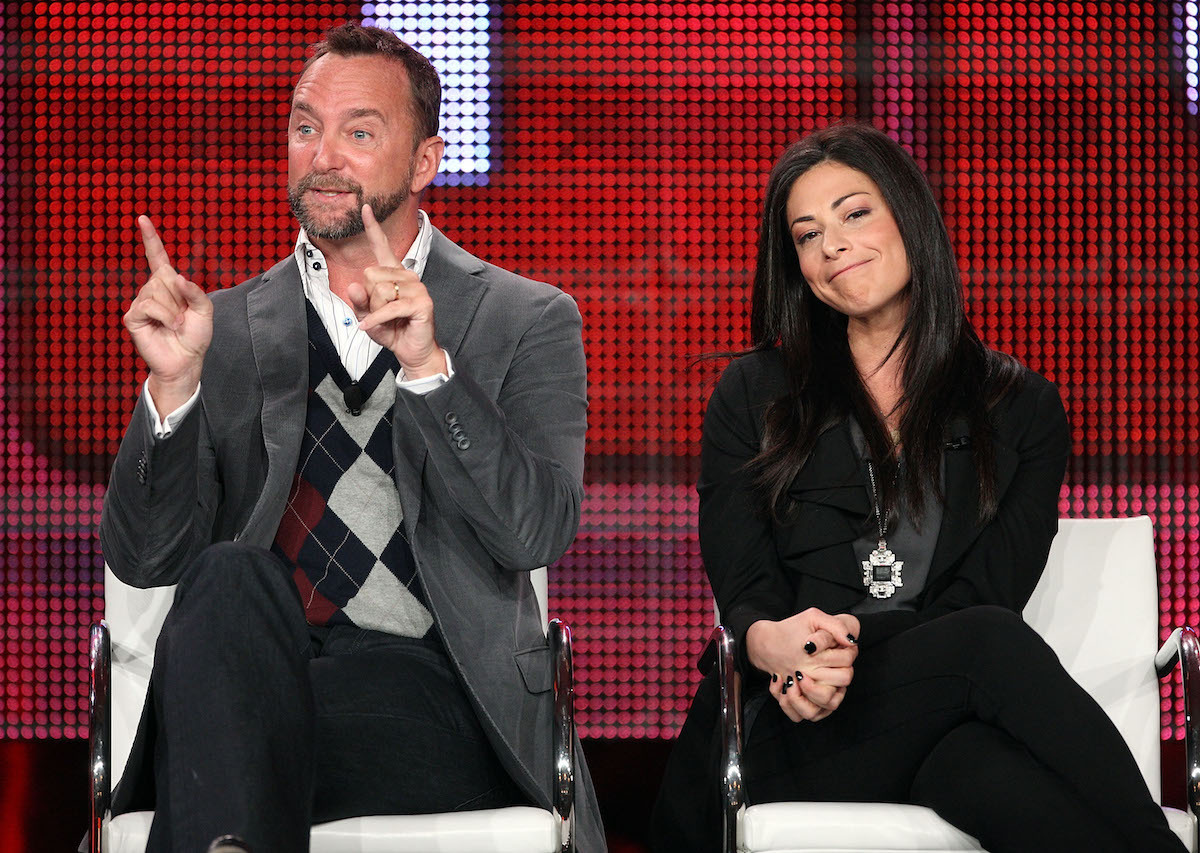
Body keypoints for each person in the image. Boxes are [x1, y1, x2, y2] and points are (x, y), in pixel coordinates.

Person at [99, 22, 605, 852]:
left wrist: (431, 368)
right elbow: (145, 557)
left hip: (432, 694)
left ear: (426, 162)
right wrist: (173, 387)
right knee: (227, 576)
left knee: (247, 748)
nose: (323, 153)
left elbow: (534, 530)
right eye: (306, 127)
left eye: (359, 131)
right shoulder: (217, 326)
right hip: (251, 675)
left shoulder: (526, 317)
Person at [651, 123, 1185, 853]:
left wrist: (852, 641)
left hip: (928, 710)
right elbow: (746, 590)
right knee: (987, 660)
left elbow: (981, 600)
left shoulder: (1021, 408)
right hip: (781, 726)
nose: (832, 244)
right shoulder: (753, 393)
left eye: (854, 212)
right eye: (806, 235)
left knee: (978, 764)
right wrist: (778, 645)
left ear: (910, 215)